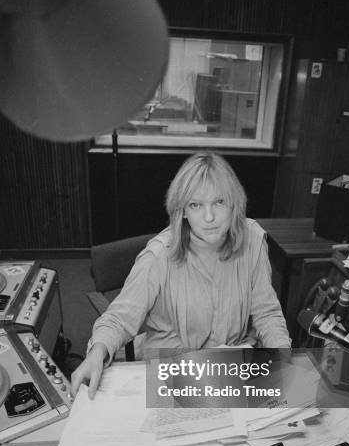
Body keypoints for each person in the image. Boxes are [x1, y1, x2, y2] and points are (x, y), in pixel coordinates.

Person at [71, 152, 290, 398]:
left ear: (234, 204)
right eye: (196, 205)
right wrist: (97, 352)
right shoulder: (158, 256)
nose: (209, 217)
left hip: (232, 370)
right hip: (174, 374)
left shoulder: (253, 240)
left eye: (219, 202)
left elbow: (267, 313)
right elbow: (119, 319)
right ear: (183, 210)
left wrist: (282, 357)